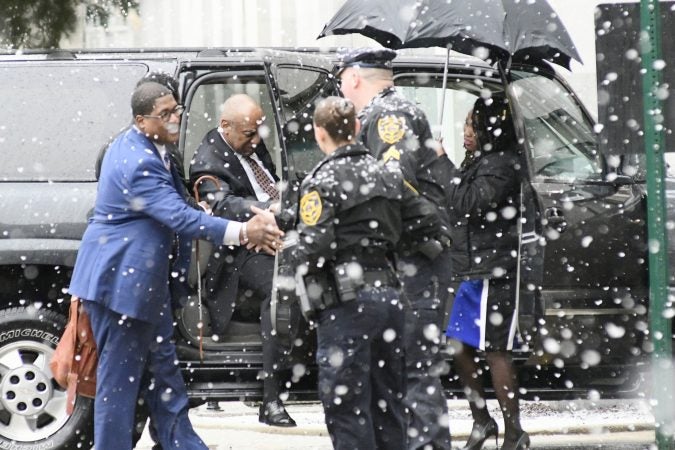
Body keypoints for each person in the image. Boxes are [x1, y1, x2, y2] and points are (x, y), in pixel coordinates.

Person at [68, 82, 284, 449]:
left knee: (165, 378)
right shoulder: (137, 162)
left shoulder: (155, 147)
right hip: (121, 289)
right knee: (118, 388)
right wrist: (244, 229)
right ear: (141, 120)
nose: (175, 119)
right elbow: (180, 217)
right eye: (164, 114)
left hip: (146, 288)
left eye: (177, 110)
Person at [337, 47, 454, 449]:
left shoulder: (389, 115)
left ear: (353, 78)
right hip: (404, 261)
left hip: (413, 261)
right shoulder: (393, 111)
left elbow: (391, 185)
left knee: (413, 371)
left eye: (341, 80)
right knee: (398, 372)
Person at [293, 96, 410, 450]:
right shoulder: (389, 174)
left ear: (318, 133)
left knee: (347, 406)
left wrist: (286, 244)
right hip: (390, 295)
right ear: (358, 128)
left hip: (348, 303)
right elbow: (421, 225)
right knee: (389, 401)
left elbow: (315, 248)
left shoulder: (322, 180)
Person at [189, 93, 296, 427]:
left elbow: (272, 183)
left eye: (258, 132)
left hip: (279, 232)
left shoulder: (249, 141)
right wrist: (265, 212)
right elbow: (223, 203)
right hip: (237, 252)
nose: (256, 140)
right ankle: (271, 395)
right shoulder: (208, 160)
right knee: (281, 291)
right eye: (249, 133)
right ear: (226, 126)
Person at [443, 97, 530, 450]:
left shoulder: (502, 164)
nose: (466, 132)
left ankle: (514, 431)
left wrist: (440, 163)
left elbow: (469, 201)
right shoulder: (479, 160)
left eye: (472, 125)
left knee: (495, 350)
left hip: (493, 271)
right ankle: (482, 420)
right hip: (469, 268)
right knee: (458, 347)